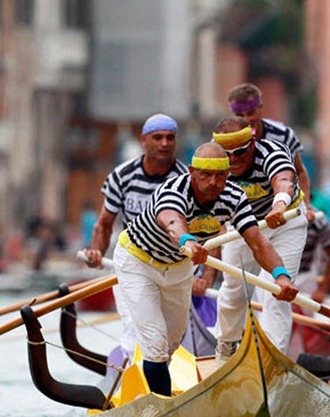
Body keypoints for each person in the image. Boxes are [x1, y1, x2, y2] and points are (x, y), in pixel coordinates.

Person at [110, 142, 297, 395]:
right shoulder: (173, 192)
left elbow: (258, 242)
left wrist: (281, 276)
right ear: (191, 172)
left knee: (172, 342)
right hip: (138, 262)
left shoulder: (235, 198)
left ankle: (153, 391)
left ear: (228, 175)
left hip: (178, 266)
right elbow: (172, 220)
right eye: (205, 175)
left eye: (220, 176)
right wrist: (186, 241)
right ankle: (163, 410)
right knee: (155, 343)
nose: (213, 183)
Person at [83, 114, 187, 358]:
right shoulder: (122, 176)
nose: (164, 143)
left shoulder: (185, 179)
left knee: (171, 337)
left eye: (170, 138)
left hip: (174, 265)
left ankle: (162, 379)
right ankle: (135, 378)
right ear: (144, 140)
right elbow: (104, 224)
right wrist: (96, 251)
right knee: (134, 327)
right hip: (133, 262)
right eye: (158, 138)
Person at [209, 116, 307, 359]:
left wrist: (279, 204)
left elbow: (283, 181)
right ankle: (226, 349)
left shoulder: (273, 152)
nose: (233, 161)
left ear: (252, 143)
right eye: (227, 154)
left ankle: (272, 358)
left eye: (240, 152)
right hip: (243, 226)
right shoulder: (214, 164)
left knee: (277, 293)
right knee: (233, 290)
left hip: (285, 223)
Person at [227, 83, 313, 220]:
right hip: (241, 217)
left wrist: (307, 206)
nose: (246, 120)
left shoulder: (283, 135)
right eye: (239, 115)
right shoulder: (222, 142)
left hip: (280, 211)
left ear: (260, 108)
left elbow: (300, 171)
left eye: (250, 113)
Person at [296, 207, 330, 305]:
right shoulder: (268, 212)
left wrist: (323, 289)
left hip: (305, 276)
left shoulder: (318, 218)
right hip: (272, 277)